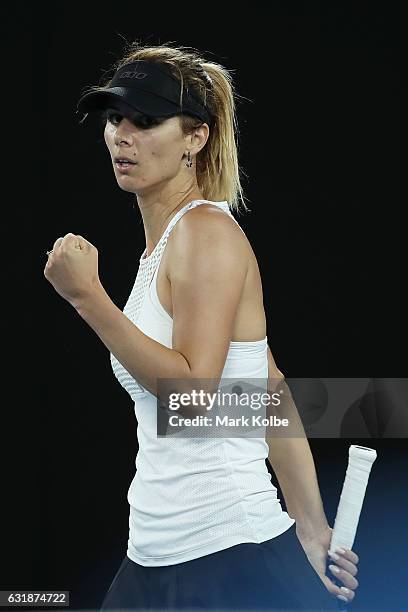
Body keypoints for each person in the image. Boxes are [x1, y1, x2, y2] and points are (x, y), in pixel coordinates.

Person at [44, 42, 359, 610]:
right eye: (114, 118)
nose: (122, 134)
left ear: (196, 137)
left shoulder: (205, 232)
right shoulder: (162, 248)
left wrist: (88, 298)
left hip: (225, 553)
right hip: (154, 553)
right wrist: (311, 527)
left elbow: (190, 397)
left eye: (145, 120)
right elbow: (269, 394)